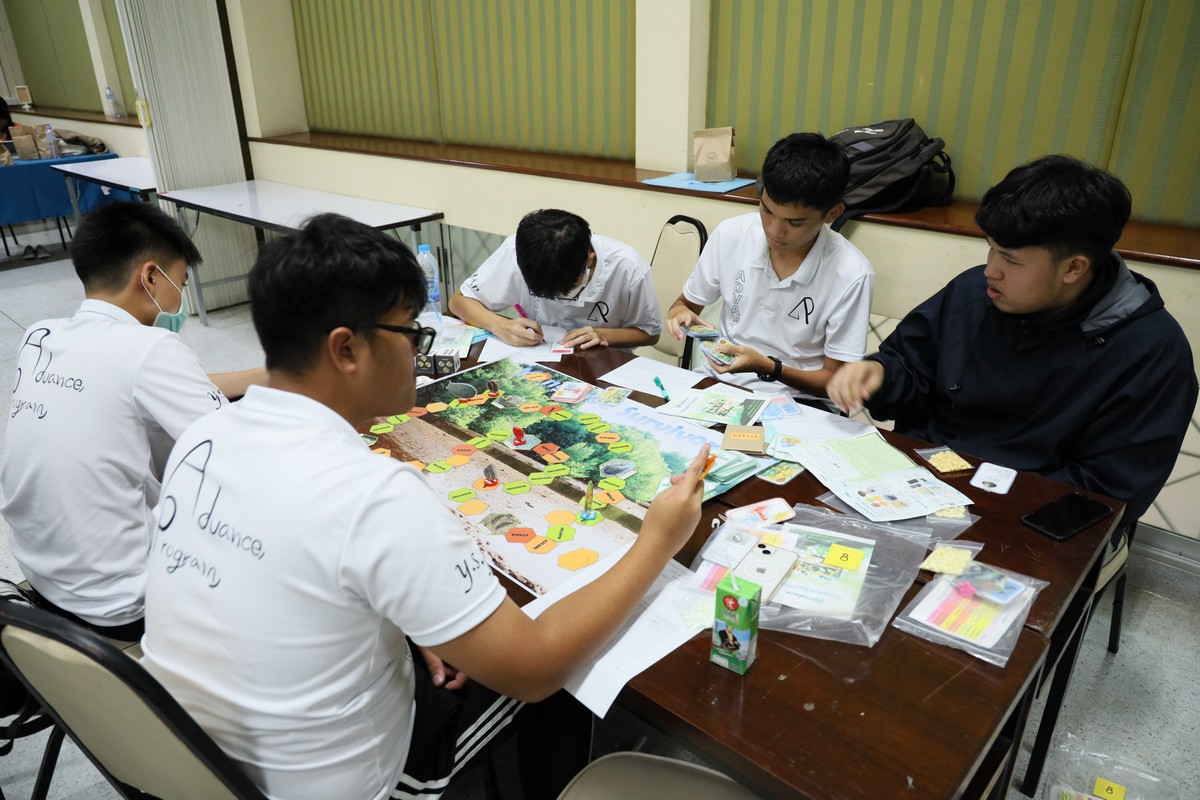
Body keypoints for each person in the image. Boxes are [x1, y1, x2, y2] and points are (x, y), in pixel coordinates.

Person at [140, 213, 709, 800]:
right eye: (411, 334)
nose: (419, 352)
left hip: (182, 761)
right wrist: (657, 541)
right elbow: (537, 669)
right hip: (334, 782)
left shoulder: (202, 437)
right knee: (567, 673)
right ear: (347, 349)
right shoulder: (376, 493)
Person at [827, 155, 1197, 541]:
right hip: (918, 489)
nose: (991, 269)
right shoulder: (974, 292)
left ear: (1073, 268)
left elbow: (1105, 493)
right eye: (991, 248)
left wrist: (978, 505)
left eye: (1011, 259)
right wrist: (881, 375)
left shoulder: (1151, 352)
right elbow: (911, 371)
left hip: (1031, 526)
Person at [0, 202, 263, 642]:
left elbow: (143, 384)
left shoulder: (40, 337)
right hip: (124, 602)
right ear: (150, 277)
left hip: (44, 576)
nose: (179, 298)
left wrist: (265, 375)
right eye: (180, 282)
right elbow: (239, 449)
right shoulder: (152, 348)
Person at [666, 132, 874, 405]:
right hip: (719, 383)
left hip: (798, 400)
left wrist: (769, 367)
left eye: (795, 223)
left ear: (832, 213)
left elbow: (835, 383)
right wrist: (679, 312)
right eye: (766, 210)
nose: (774, 231)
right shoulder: (731, 234)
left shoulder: (851, 273)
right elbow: (685, 304)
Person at [448, 208, 661, 350]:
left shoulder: (628, 267)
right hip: (535, 357)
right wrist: (499, 325)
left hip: (602, 365)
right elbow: (458, 301)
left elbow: (649, 333)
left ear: (589, 259)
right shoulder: (519, 251)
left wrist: (603, 335)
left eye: (568, 289)